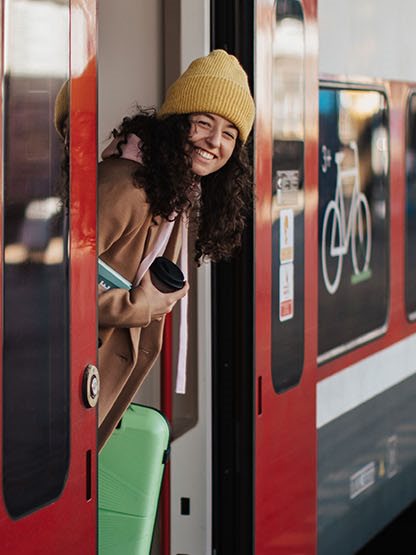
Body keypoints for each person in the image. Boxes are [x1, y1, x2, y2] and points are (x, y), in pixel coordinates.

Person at [96, 50, 255, 445]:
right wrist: (139, 307)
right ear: (176, 124)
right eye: (203, 123)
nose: (214, 142)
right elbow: (49, 284)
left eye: (230, 134)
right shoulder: (126, 188)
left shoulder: (173, 192)